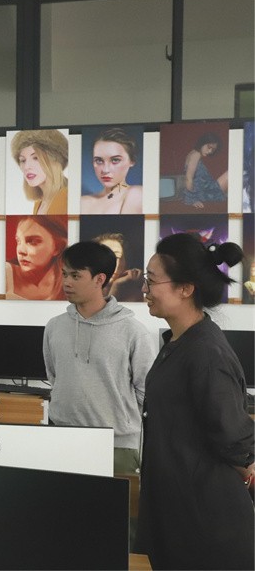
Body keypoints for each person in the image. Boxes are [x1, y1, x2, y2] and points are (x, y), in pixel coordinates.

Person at [135, 233, 253, 569]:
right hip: (179, 507)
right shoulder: (179, 342)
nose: (144, 289)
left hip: (205, 520)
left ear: (186, 288)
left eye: (151, 280)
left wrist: (249, 464)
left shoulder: (205, 352)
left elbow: (232, 434)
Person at [43, 242, 156, 545]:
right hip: (63, 441)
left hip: (117, 446)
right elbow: (54, 376)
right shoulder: (54, 327)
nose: (66, 282)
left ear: (100, 279)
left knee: (117, 530)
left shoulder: (133, 331)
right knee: (64, 526)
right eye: (64, 274)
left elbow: (147, 392)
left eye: (75, 275)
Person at [80, 128, 143, 214]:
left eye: (115, 160)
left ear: (132, 161)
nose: (105, 170)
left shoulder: (136, 194)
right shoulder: (83, 202)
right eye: (99, 160)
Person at [5, 215, 67, 300]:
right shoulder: (3, 274)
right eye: (18, 241)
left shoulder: (68, 284)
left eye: (33, 242)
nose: (20, 250)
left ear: (57, 248)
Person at [11, 130, 69, 215]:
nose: (26, 167)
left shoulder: (68, 198)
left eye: (36, 158)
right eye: (23, 160)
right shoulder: (39, 203)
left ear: (55, 161)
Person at [182, 132, 228, 209]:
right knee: (230, 173)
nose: (210, 151)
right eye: (209, 147)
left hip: (207, 189)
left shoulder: (194, 153)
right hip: (205, 193)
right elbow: (188, 178)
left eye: (213, 149)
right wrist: (192, 200)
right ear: (202, 143)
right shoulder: (195, 155)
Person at [94, 232, 144, 303]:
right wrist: (116, 287)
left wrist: (117, 285)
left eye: (118, 257)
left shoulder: (134, 296)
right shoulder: (83, 291)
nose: (115, 263)